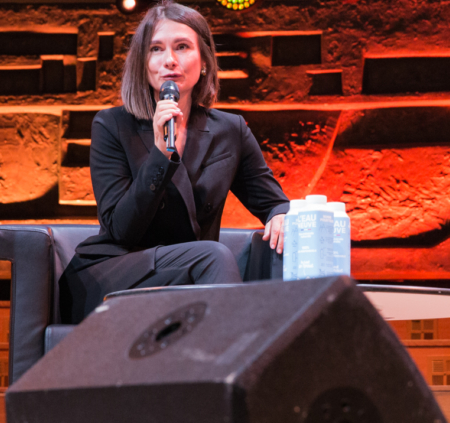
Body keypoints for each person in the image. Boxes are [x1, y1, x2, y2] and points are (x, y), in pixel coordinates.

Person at [59, 1, 289, 324]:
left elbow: (274, 203)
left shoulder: (230, 130)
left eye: (182, 47)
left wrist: (281, 216)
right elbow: (121, 230)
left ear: (204, 61)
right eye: (156, 49)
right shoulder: (111, 125)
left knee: (225, 255)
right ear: (143, 64)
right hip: (118, 271)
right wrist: (161, 156)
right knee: (213, 255)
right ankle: (234, 351)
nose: (169, 60)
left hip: (194, 272)